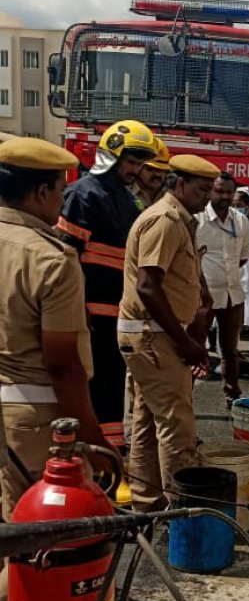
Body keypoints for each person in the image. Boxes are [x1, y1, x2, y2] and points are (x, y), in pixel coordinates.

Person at [0, 139, 116, 601]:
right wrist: (92, 439)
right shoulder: (51, 259)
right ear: (43, 191)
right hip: (32, 417)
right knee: (32, 543)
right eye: (60, 191)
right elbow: (63, 363)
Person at [118, 154, 220, 512]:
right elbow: (148, 287)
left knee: (148, 422)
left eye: (210, 189)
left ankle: (147, 505)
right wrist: (186, 343)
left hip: (155, 335)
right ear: (179, 185)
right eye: (202, 189)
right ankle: (183, 512)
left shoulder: (180, 220)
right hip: (153, 337)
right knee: (177, 425)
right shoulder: (165, 220)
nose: (208, 196)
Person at [58, 119, 160, 451]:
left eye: (139, 164)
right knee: (91, 388)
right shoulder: (83, 196)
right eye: (131, 162)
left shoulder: (128, 202)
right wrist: (77, 312)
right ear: (111, 155)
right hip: (88, 313)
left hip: (117, 314)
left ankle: (110, 455)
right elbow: (67, 261)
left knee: (112, 386)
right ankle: (92, 456)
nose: (135, 170)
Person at [195, 172, 249, 407]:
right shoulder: (197, 219)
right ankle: (184, 399)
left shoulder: (241, 222)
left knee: (230, 350)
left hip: (232, 295)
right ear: (210, 191)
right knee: (196, 350)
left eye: (229, 192)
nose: (225, 196)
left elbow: (242, 258)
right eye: (220, 191)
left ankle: (232, 395)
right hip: (202, 299)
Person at [134, 138, 171, 211]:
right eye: (150, 169)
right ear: (139, 168)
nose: (157, 174)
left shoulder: (172, 194)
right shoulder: (126, 192)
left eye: (162, 170)